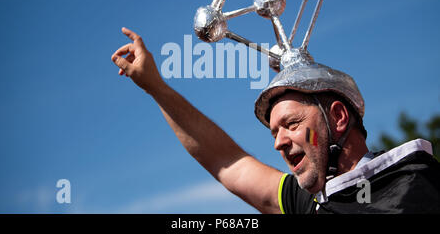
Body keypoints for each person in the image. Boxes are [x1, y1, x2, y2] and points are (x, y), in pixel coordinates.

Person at [111, 27, 440, 214]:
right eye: (274, 132)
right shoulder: (308, 204)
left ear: (338, 118)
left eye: (292, 124)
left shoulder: (421, 187)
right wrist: (156, 87)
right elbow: (229, 162)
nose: (278, 142)